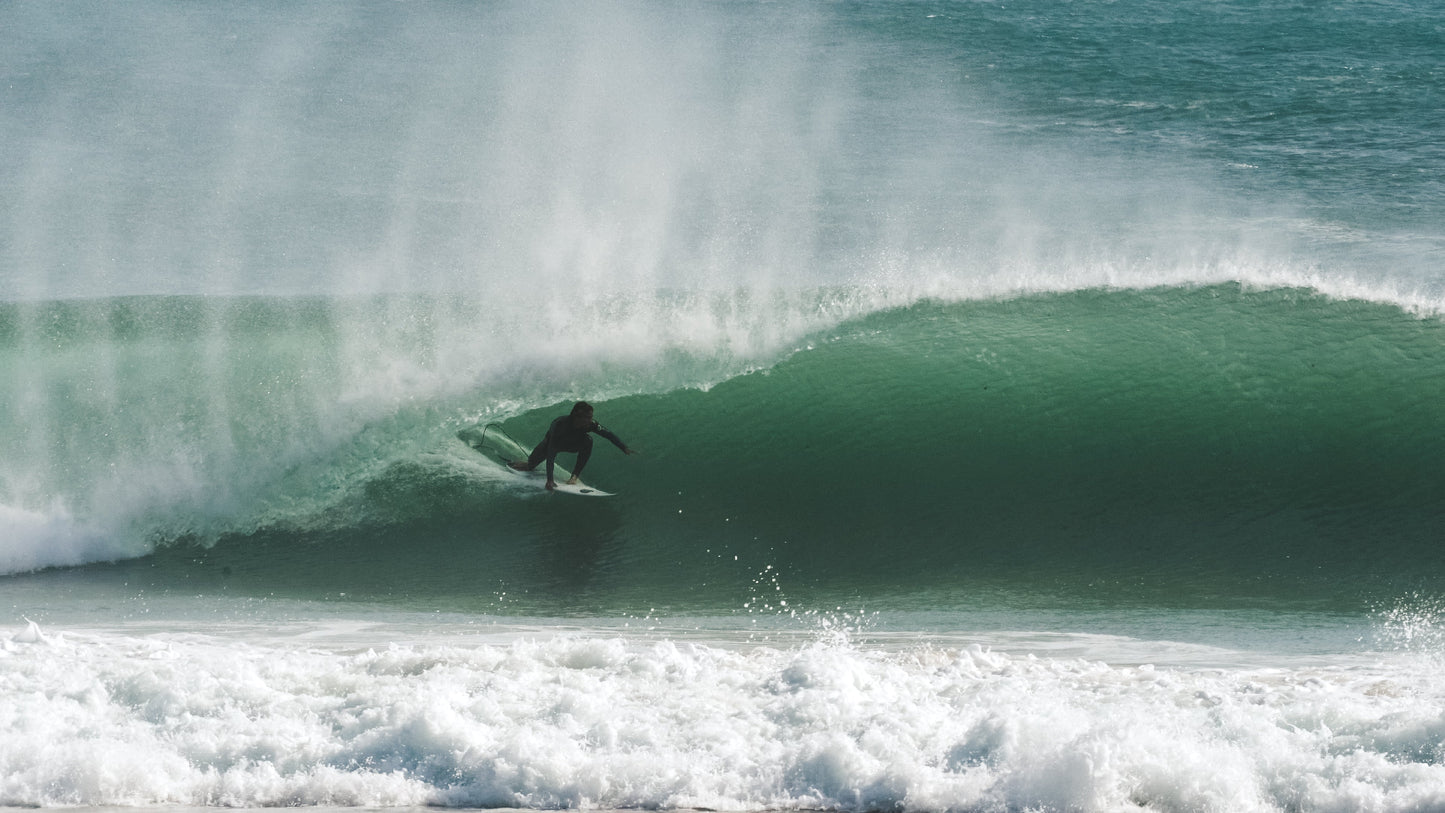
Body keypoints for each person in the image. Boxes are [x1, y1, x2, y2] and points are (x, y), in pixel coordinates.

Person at [510, 401, 637, 490]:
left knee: (589, 440)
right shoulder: (560, 425)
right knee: (530, 466)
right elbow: (551, 453)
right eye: (587, 417)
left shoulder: (590, 424)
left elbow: (608, 434)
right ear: (577, 416)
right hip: (552, 444)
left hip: (573, 444)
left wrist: (624, 447)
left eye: (591, 417)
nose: (590, 420)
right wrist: (550, 480)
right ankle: (522, 464)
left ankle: (574, 476)